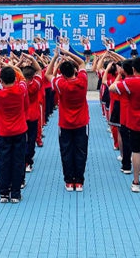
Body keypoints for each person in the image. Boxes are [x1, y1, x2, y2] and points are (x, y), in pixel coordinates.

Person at [110, 57, 140, 193]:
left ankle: (136, 182)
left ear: (133, 69)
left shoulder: (130, 82)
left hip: (135, 123)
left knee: (136, 152)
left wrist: (120, 74)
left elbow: (112, 87)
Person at [0, 63, 29, 203]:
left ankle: (3, 193)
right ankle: (15, 194)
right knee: (18, 162)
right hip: (20, 131)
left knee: (4, 163)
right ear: (14, 79)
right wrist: (13, 67)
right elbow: (23, 80)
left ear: (1, 81)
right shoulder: (21, 90)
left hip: (4, 133)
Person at [46, 48, 89, 192]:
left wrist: (56, 58)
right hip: (82, 123)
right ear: (75, 71)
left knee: (66, 151)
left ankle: (69, 181)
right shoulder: (82, 81)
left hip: (65, 124)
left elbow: (48, 74)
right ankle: (80, 181)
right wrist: (67, 52)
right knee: (81, 151)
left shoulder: (60, 83)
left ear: (62, 74)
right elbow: (82, 62)